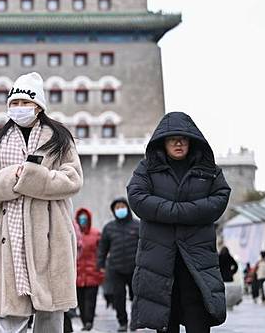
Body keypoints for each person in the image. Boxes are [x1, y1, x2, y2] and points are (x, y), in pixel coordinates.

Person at [0, 72, 83, 333]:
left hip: (51, 233)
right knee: (9, 318)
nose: (19, 108)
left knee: (51, 315)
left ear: (39, 106)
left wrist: (31, 176)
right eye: (15, 103)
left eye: (25, 103)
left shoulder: (59, 138)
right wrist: (12, 177)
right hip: (8, 238)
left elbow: (73, 179)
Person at [127, 112, 231, 333]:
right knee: (165, 315)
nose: (178, 142)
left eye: (183, 138)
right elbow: (137, 198)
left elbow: (220, 198)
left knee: (198, 312)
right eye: (172, 138)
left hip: (197, 256)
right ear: (162, 142)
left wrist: (171, 211)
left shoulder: (209, 170)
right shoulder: (147, 168)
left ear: (191, 141)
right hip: (159, 258)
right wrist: (185, 211)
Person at [97, 198, 139, 332]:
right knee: (118, 298)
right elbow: (103, 248)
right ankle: (122, 322)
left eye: (122, 206)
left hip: (135, 269)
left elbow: (145, 246)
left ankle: (135, 321)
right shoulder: (109, 228)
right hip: (116, 269)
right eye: (117, 208)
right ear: (114, 211)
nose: (120, 209)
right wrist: (101, 264)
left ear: (127, 208)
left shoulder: (138, 225)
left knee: (136, 298)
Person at [75, 207, 104, 331]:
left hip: (92, 273)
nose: (83, 221)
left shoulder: (96, 234)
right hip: (77, 274)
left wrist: (101, 269)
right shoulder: (74, 235)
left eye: (85, 219)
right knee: (80, 301)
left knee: (90, 301)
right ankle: (84, 321)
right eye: (81, 218)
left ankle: (89, 321)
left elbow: (101, 252)